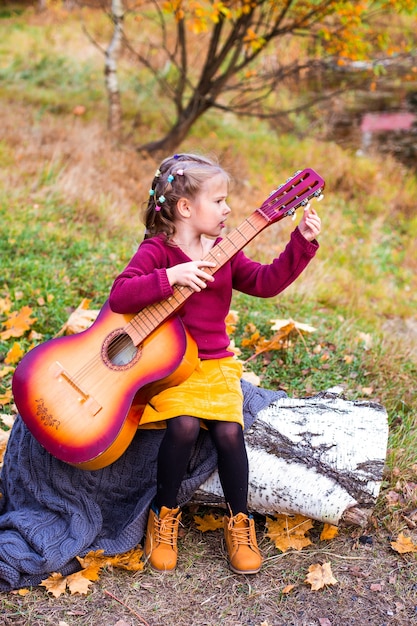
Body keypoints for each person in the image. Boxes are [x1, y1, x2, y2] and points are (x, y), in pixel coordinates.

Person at [108, 153, 321, 575]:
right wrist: (171, 277)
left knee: (228, 432)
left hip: (216, 363)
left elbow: (265, 282)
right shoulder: (157, 251)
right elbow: (121, 295)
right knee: (183, 426)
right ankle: (163, 515)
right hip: (169, 367)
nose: (228, 211)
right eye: (220, 201)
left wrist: (302, 243)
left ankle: (239, 523)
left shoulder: (224, 252)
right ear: (186, 208)